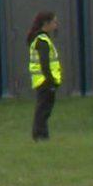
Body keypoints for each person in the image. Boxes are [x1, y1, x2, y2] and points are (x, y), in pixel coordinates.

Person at [27, 11, 61, 141]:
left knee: (44, 110)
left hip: (42, 80)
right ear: (46, 23)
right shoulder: (42, 41)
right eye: (54, 22)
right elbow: (45, 63)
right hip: (45, 81)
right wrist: (51, 81)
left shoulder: (40, 39)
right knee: (43, 110)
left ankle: (42, 134)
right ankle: (40, 135)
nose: (56, 24)